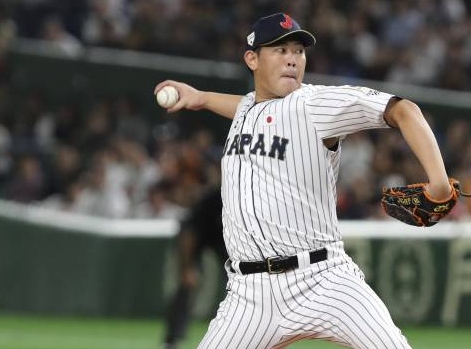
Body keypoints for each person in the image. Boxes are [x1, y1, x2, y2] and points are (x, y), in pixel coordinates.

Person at [155, 12, 454, 349]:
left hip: (323, 279)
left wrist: (439, 184)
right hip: (250, 296)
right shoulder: (247, 109)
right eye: (280, 51)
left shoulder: (315, 104)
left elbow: (404, 110)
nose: (292, 60)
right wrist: (201, 98)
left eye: (298, 51)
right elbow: (250, 107)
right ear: (252, 59)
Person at [162, 188, 228, 349]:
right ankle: (172, 338)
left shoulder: (246, 199)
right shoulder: (212, 199)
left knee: (244, 282)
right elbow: (189, 235)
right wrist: (187, 268)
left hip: (225, 242)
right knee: (185, 285)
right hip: (195, 241)